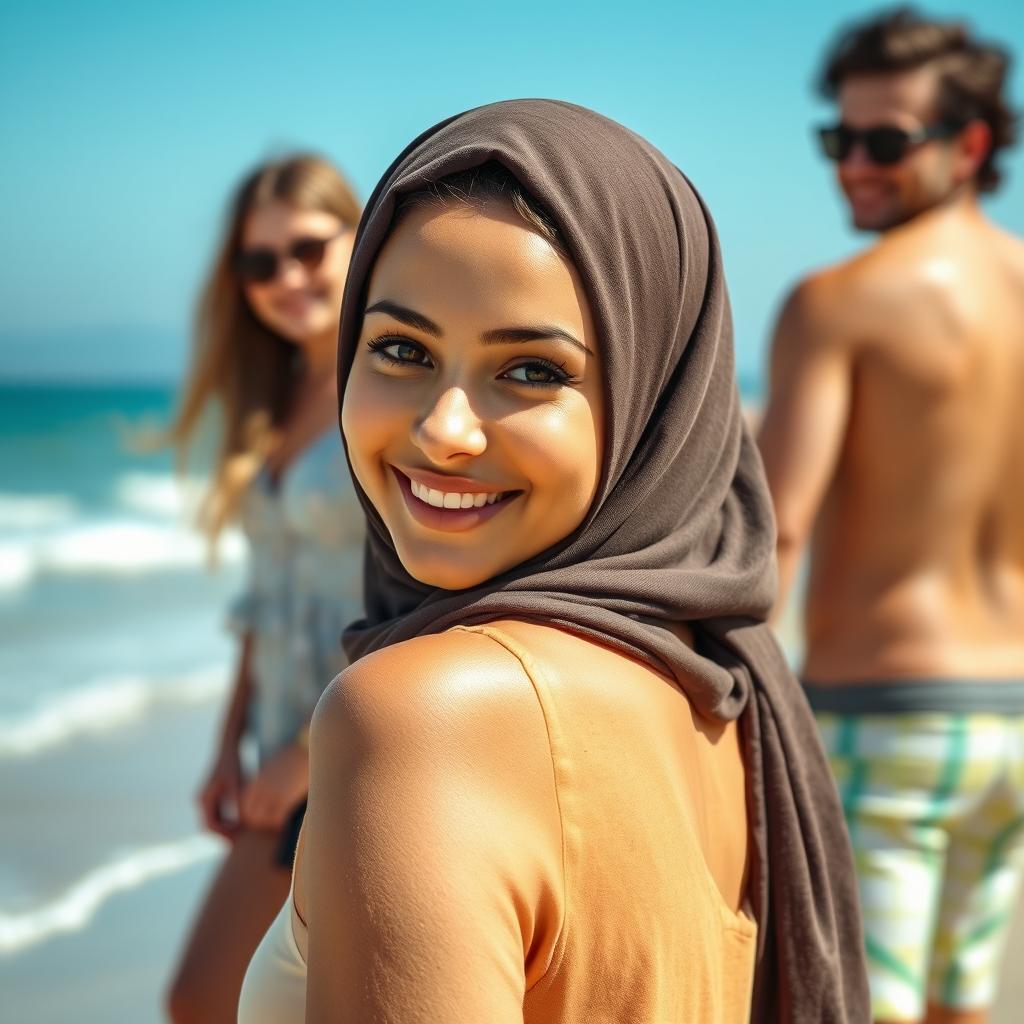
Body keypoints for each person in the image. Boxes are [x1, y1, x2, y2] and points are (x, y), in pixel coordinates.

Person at [238, 100, 869, 1023]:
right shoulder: (718, 688)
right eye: (401, 348)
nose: (442, 431)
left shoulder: (426, 717)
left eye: (532, 370)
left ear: (656, 399)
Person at [756, 8, 1023, 1024]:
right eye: (839, 138)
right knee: (963, 1007)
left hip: (887, 718)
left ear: (969, 145)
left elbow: (779, 526)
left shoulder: (838, 302)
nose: (851, 166)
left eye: (884, 141)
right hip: (1013, 721)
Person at [163, 154, 364, 1023]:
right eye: (259, 262)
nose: (287, 277)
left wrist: (310, 753)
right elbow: (264, 604)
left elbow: (425, 599)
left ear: (360, 237)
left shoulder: (386, 385)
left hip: (359, 755)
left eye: (309, 249)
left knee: (209, 999)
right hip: (277, 767)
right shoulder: (270, 404)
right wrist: (227, 743)